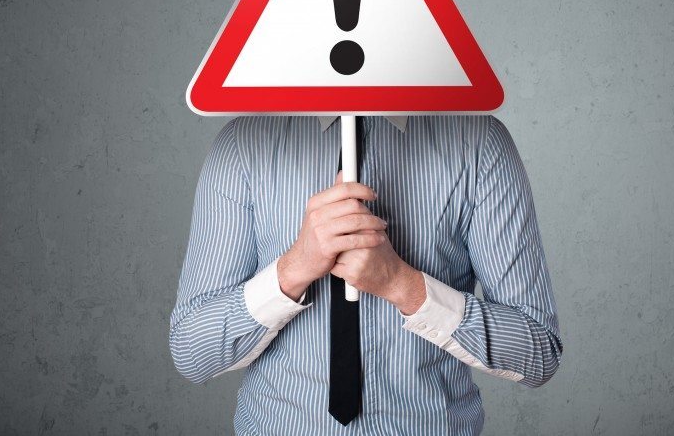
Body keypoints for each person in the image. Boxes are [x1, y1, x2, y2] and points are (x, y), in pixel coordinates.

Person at [169, 115, 562, 435]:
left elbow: (538, 354)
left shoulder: (478, 142)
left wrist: (402, 285)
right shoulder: (244, 145)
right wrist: (294, 269)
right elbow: (191, 353)